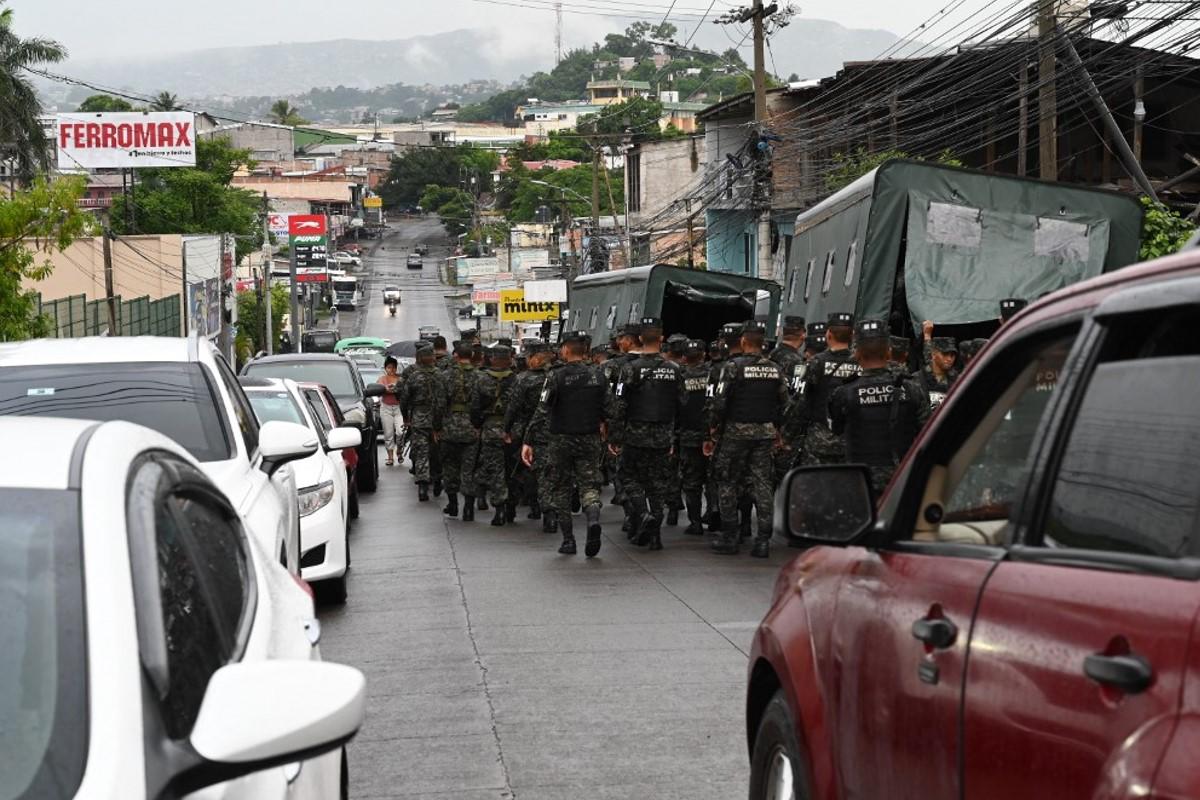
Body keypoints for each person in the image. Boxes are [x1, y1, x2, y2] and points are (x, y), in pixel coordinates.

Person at [523, 331, 611, 557]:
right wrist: (609, 431)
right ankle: (592, 518)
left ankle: (569, 540)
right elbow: (612, 408)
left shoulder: (555, 376)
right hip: (590, 437)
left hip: (560, 439)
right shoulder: (599, 376)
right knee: (589, 485)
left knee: (561, 488)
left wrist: (528, 440)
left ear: (566, 350)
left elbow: (542, 410)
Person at [706, 321, 787, 558]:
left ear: (743, 341)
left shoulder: (732, 367)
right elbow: (785, 402)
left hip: (735, 433)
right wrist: (777, 429)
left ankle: (730, 536)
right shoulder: (775, 368)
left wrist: (713, 427)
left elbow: (720, 403)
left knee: (728, 482)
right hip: (764, 433)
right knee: (762, 484)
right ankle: (762, 541)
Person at [829, 319, 930, 497]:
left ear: (857, 354)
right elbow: (927, 432)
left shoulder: (844, 393)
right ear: (889, 352)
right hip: (901, 479)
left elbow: (836, 429)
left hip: (860, 482)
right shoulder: (912, 389)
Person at [611, 318, 684, 551]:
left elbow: (619, 404)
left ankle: (642, 514)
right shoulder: (674, 369)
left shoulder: (630, 368)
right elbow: (682, 402)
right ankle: (656, 537)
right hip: (663, 434)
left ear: (641, 338)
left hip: (635, 433)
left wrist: (615, 436)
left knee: (628, 477)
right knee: (657, 484)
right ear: (661, 338)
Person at [789, 312, 860, 467]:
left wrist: (789, 436)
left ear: (828, 334)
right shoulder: (860, 364)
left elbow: (800, 401)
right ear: (852, 335)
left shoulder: (816, 362)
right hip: (850, 441)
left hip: (819, 441)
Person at [505, 341, 555, 532]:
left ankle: (510, 508)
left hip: (524, 428)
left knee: (516, 469)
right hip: (552, 429)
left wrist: (506, 429)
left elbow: (513, 407)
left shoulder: (523, 379)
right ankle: (547, 512)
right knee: (546, 472)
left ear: (534, 359)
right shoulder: (556, 376)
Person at [473, 345, 519, 526]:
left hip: (491, 428)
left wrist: (477, 425)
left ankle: (499, 509)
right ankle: (512, 507)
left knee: (496, 471)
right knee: (513, 469)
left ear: (492, 359)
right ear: (509, 360)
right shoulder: (517, 380)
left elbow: (475, 407)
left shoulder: (482, 379)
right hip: (513, 430)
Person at [398, 343, 445, 501]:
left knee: (422, 452)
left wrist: (405, 416)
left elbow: (404, 399)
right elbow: (446, 399)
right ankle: (438, 478)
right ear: (431, 358)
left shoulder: (414, 376)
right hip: (438, 418)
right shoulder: (440, 375)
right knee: (437, 452)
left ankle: (423, 487)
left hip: (419, 418)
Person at [440, 342, 480, 520]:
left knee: (450, 467)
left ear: (456, 355)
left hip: (449, 426)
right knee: (469, 468)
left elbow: (439, 404)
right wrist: (479, 425)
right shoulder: (480, 376)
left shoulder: (445, 375)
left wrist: (436, 427)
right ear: (471, 356)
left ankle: (453, 503)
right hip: (471, 427)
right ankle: (469, 508)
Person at [678, 339, 711, 536]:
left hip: (688, 436)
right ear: (704, 355)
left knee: (692, 481)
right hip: (712, 437)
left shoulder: (681, 377)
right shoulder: (713, 374)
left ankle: (695, 522)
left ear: (683, 358)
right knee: (714, 478)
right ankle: (714, 512)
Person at [920, 320, 959, 410]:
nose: (949, 359)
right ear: (934, 354)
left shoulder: (957, 380)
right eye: (945, 354)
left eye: (952, 355)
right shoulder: (919, 379)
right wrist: (927, 335)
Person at [378, 356, 404, 467]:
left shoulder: (400, 379)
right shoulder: (382, 379)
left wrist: (396, 388)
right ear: (385, 368)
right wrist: (387, 389)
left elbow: (404, 390)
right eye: (389, 367)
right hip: (386, 408)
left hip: (399, 408)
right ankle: (390, 457)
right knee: (388, 433)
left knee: (400, 432)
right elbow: (380, 389)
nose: (391, 370)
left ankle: (400, 450)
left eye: (393, 368)